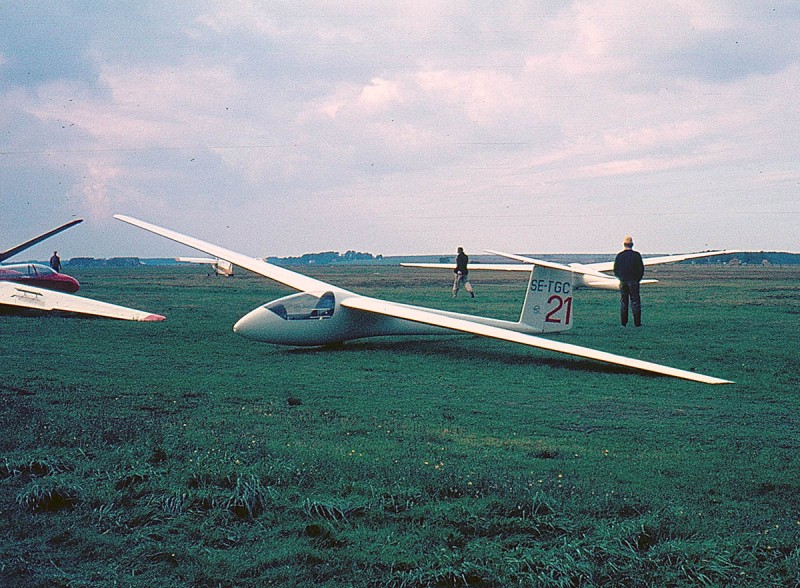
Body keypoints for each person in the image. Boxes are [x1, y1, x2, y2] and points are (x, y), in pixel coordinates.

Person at [613, 236, 644, 327]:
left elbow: (615, 269)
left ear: (624, 244)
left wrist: (621, 278)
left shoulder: (619, 256)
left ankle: (624, 323)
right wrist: (637, 279)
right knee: (635, 302)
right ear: (632, 244)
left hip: (623, 281)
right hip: (634, 281)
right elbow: (641, 269)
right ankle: (637, 323)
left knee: (624, 302)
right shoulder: (636, 255)